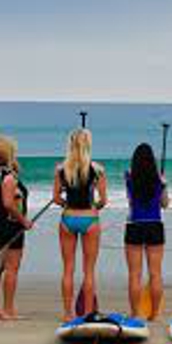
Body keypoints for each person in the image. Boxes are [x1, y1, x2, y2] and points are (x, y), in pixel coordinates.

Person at [53, 129, 107, 322]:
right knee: (89, 271)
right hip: (90, 219)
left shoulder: (61, 169)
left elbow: (56, 198)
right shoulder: (98, 169)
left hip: (67, 219)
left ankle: (68, 314)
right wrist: (93, 206)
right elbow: (103, 200)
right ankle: (87, 314)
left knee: (68, 268)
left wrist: (67, 203)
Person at [0, 135, 33, 321]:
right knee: (11, 268)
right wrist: (24, 221)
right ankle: (8, 310)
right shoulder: (8, 176)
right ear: (9, 153)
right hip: (10, 225)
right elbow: (8, 203)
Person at [124, 143, 169, 320]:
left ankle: (135, 313)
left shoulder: (129, 177)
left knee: (135, 274)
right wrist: (163, 186)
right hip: (155, 225)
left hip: (135, 225)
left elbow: (131, 202)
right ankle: (155, 314)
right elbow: (165, 204)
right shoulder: (160, 180)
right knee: (155, 273)